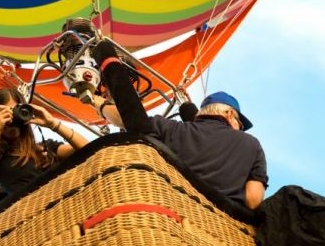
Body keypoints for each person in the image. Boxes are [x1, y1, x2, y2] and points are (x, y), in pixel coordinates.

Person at [90, 40, 268, 209]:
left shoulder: (172, 129)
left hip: (171, 212)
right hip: (223, 228)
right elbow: (253, 201)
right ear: (229, 114)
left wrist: (97, 102)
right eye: (239, 122)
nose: (239, 128)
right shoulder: (253, 145)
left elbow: (125, 119)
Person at [0, 88, 89, 196]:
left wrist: (53, 124)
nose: (12, 118)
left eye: (16, 111)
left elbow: (89, 148)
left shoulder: (45, 147)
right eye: (5, 113)